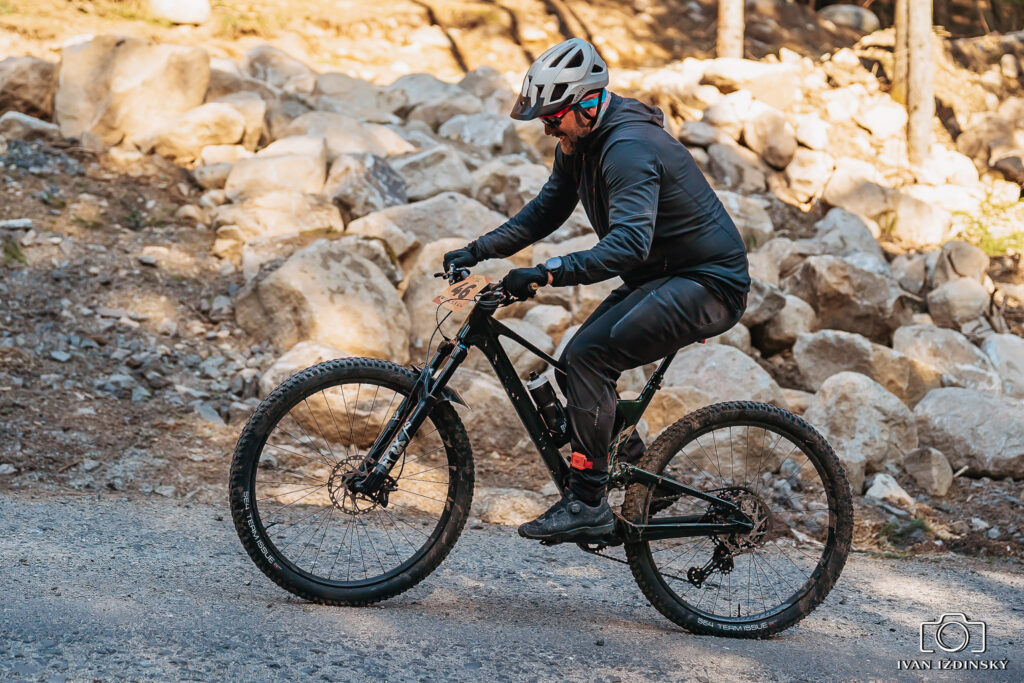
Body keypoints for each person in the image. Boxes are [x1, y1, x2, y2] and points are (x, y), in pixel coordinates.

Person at [443, 38, 750, 544]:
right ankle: (643, 479)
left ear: (587, 104)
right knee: (574, 364)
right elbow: (546, 211)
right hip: (663, 275)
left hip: (709, 283)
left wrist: (546, 273)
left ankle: (587, 502)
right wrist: (478, 250)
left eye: (552, 118)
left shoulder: (628, 149)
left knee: (590, 359)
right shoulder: (579, 141)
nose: (547, 129)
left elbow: (628, 244)